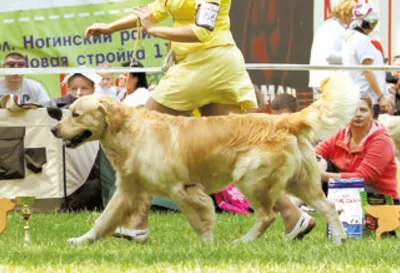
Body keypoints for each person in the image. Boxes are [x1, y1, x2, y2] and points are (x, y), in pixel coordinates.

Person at [84, 0, 313, 242]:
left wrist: (153, 30)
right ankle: (292, 214)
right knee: (238, 149)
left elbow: (201, 31)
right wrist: (111, 27)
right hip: (215, 67)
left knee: (142, 139)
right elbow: (154, 11)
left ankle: (136, 224)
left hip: (206, 65)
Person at [316, 97, 399, 202]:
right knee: (318, 161)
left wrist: (324, 176)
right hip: (346, 192)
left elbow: (363, 178)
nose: (358, 114)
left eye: (363, 110)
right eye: (353, 110)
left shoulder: (382, 141)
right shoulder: (340, 134)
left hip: (379, 198)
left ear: (372, 114)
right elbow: (316, 153)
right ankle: (300, 209)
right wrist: (318, 168)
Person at [342, 3, 392, 118]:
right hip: (368, 97)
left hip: (356, 94)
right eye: (373, 23)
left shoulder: (350, 38)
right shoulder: (363, 40)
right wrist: (381, 96)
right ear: (367, 23)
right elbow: (367, 70)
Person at [309, 0, 356, 101]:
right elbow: (329, 56)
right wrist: (353, 57)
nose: (354, 20)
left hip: (325, 80)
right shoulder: (333, 28)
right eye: (352, 16)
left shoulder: (330, 26)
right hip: (328, 81)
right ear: (345, 14)